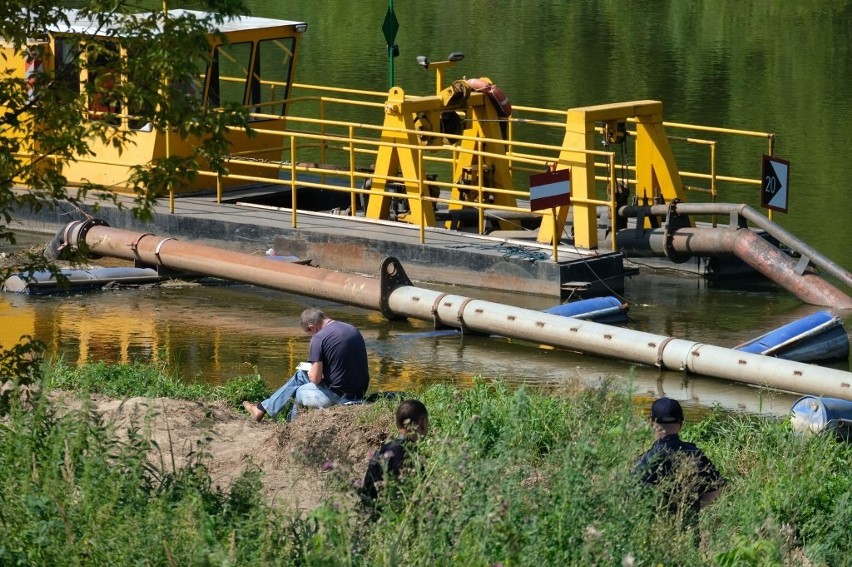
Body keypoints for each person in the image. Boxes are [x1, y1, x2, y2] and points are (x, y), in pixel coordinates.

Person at [242, 308, 369, 422]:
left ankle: (291, 428)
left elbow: (315, 379)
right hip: (359, 392)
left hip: (339, 396)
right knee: (300, 376)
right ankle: (262, 408)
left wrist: (311, 372)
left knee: (298, 390)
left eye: (310, 333)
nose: (311, 336)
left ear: (312, 327)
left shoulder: (319, 338)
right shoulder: (352, 329)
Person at [632, 397, 723, 524]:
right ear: (681, 424)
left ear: (651, 422)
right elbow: (716, 487)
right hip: (688, 531)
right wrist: (691, 510)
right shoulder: (695, 454)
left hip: (652, 533)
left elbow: (632, 494)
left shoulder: (649, 459)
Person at [359, 399, 429, 505]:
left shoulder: (384, 449)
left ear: (398, 423)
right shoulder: (409, 453)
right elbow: (419, 494)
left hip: (370, 510)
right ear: (423, 423)